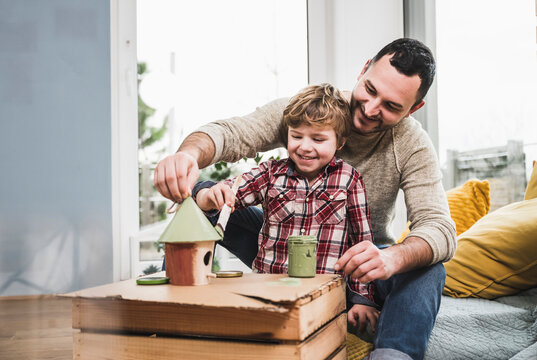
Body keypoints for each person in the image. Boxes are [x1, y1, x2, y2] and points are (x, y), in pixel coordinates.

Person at [154, 38, 457, 360]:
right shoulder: (311, 110)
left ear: (414, 108)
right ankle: (164, 318)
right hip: (280, 248)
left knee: (430, 267)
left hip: (352, 262)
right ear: (364, 69)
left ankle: (392, 354)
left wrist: (392, 259)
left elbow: (439, 227)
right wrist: (188, 155)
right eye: (370, 89)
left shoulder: (412, 145)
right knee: (206, 204)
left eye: (392, 106)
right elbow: (232, 133)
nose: (370, 109)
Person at [194, 84, 380, 329]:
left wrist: (362, 298)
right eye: (297, 136)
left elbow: (361, 244)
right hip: (268, 290)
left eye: (318, 138)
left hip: (324, 295)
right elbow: (230, 192)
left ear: (340, 142)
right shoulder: (271, 173)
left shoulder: (349, 180)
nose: (305, 146)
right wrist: (210, 194)